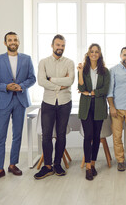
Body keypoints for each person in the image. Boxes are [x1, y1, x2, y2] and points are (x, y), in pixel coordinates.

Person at [0, 32, 36, 182]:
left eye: (15, 40)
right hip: (3, 101)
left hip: (20, 100)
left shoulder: (26, 59)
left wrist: (21, 86)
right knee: (0, 136)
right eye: (10, 40)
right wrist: (6, 86)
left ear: (19, 42)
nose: (13, 42)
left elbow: (32, 78)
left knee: (17, 135)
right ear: (5, 43)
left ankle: (13, 164)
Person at [34, 34, 75, 179]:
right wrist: (59, 86)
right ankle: (48, 166)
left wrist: (51, 80)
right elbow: (41, 81)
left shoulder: (69, 62)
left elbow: (70, 80)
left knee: (61, 134)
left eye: (63, 45)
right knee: (46, 135)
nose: (60, 48)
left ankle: (58, 164)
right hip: (48, 102)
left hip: (65, 102)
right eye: (58, 45)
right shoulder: (44, 62)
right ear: (52, 45)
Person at [77, 44, 110, 181]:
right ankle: (88, 167)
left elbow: (105, 89)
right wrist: (79, 72)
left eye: (97, 52)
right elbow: (80, 87)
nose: (94, 54)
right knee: (88, 135)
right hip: (85, 106)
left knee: (96, 136)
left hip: (99, 106)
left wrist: (91, 93)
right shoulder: (84, 70)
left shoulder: (105, 71)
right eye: (92, 51)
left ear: (100, 54)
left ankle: (93, 164)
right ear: (88, 54)